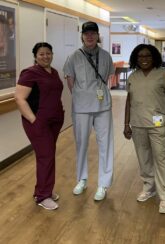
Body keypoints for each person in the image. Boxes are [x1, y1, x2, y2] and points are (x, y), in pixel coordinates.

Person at [123, 44, 165, 214]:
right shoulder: (133, 77)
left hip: (157, 124)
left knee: (161, 159)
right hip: (138, 123)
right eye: (140, 57)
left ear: (154, 57)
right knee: (143, 158)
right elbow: (129, 101)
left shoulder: (163, 74)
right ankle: (149, 188)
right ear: (135, 59)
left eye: (147, 56)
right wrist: (126, 124)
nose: (144, 59)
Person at [63, 21, 115, 201]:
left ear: (98, 36)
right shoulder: (73, 57)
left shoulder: (106, 56)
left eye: (93, 33)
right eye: (87, 34)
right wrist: (82, 96)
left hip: (103, 106)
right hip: (81, 107)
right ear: (82, 36)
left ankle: (103, 184)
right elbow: (70, 81)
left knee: (105, 144)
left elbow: (108, 76)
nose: (90, 36)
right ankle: (82, 179)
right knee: (81, 144)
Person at [15, 42, 64, 210]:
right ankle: (43, 196)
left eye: (48, 53)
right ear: (35, 56)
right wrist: (34, 121)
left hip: (55, 121)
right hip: (38, 122)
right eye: (41, 54)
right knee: (46, 156)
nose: (45, 56)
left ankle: (42, 191)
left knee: (47, 156)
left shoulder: (54, 71)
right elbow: (19, 99)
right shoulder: (29, 73)